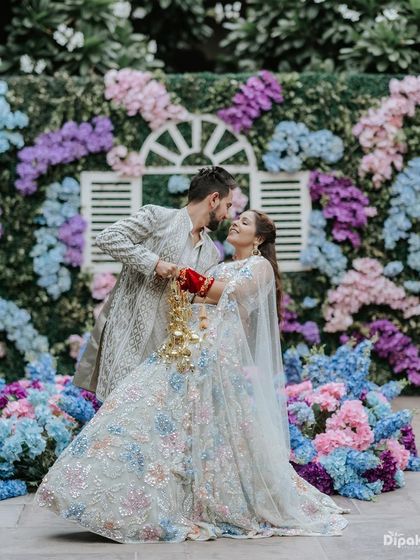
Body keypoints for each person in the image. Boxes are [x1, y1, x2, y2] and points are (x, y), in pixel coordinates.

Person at [35, 209, 350, 543]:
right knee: (144, 407)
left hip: (215, 352)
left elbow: (232, 294)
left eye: (244, 222)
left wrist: (185, 276)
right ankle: (100, 492)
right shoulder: (216, 265)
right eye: (236, 217)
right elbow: (198, 294)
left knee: (203, 426)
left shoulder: (259, 267)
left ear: (257, 239)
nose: (235, 222)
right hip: (187, 346)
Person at [72, 166, 235, 401]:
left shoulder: (210, 253)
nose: (227, 215)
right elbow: (107, 237)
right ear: (214, 199)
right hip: (126, 335)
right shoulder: (158, 217)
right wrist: (154, 263)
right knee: (115, 415)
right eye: (227, 206)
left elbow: (195, 302)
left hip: (166, 351)